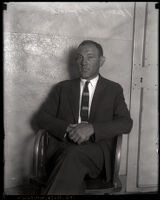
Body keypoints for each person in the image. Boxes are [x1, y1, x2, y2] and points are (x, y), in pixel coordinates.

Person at [35, 40, 133, 195]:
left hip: (97, 152)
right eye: (79, 57)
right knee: (72, 168)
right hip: (63, 148)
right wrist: (67, 129)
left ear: (101, 61)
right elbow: (41, 118)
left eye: (90, 57)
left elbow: (126, 123)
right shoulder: (62, 88)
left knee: (73, 156)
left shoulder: (113, 89)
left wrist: (92, 128)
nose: (83, 62)